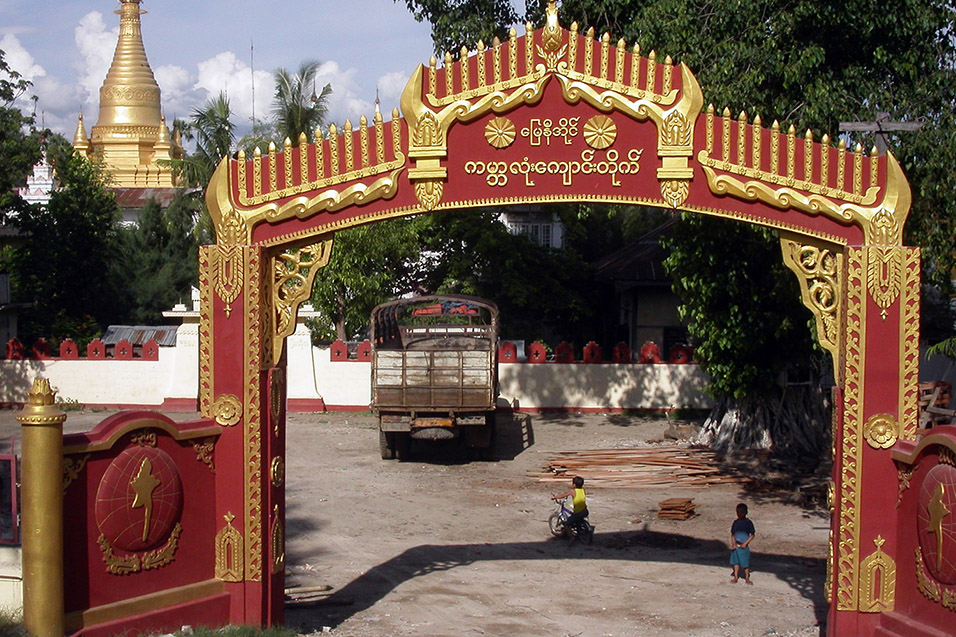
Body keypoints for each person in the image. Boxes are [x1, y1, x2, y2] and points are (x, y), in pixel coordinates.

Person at [555, 476, 588, 545]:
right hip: (585, 511)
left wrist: (555, 497)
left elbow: (563, 495)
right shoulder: (583, 490)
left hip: (578, 512)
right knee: (577, 519)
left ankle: (571, 537)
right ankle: (579, 530)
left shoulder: (573, 491)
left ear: (574, 485)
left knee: (567, 524)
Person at [730, 502, 755, 584]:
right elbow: (732, 534)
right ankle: (736, 576)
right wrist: (733, 544)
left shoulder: (748, 522)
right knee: (736, 562)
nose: (739, 514)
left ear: (746, 512)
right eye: (738, 512)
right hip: (736, 545)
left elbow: (752, 535)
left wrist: (745, 543)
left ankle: (747, 577)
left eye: (741, 512)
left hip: (744, 545)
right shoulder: (735, 522)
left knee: (745, 563)